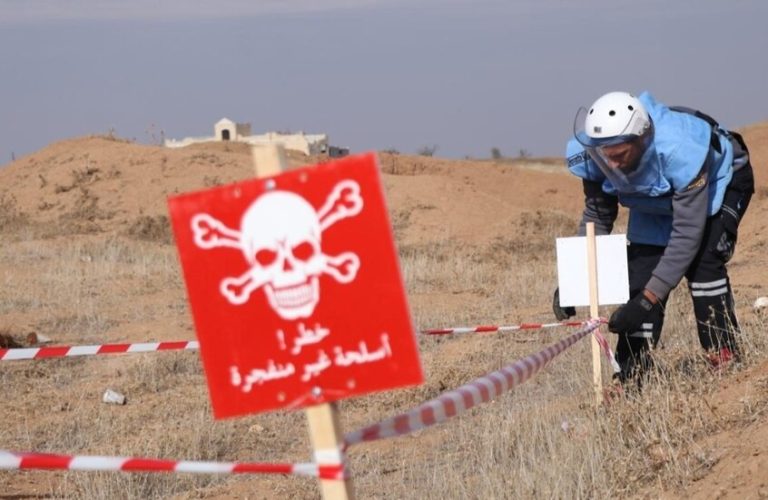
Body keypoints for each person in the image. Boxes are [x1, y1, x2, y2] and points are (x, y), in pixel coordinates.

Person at [553, 91, 754, 384]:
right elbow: (597, 217)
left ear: (642, 139)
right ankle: (632, 378)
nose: (612, 164)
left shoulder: (681, 150)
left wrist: (647, 302)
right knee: (641, 274)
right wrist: (576, 282)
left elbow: (686, 235)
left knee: (704, 264)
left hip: (716, 184)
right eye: (605, 155)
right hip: (655, 198)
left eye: (619, 155)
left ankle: (724, 358)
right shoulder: (596, 154)